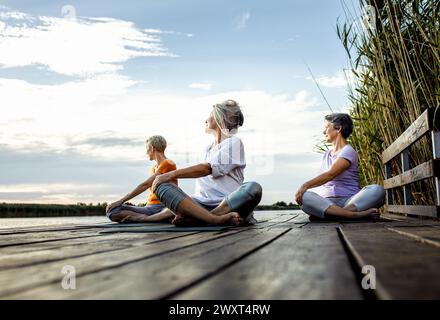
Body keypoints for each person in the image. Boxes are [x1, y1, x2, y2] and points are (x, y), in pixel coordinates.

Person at [151, 99, 262, 226]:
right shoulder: (206, 149)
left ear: (219, 118)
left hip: (230, 204)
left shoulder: (234, 143)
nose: (206, 120)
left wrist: (170, 174)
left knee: (254, 187)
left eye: (210, 115)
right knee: (162, 186)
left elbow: (207, 169)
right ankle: (208, 218)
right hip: (200, 205)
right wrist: (144, 218)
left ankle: (210, 217)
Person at [295, 113, 385, 220]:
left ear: (338, 129)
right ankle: (352, 215)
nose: (324, 132)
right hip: (327, 203)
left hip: (350, 201)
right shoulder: (326, 154)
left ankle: (332, 215)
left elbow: (330, 175)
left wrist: (304, 186)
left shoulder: (348, 151)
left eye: (327, 127)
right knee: (305, 197)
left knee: (377, 190)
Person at [106, 135, 178, 223]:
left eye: (147, 149)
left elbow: (145, 185)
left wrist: (121, 201)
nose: (146, 152)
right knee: (112, 210)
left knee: (115, 209)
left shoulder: (168, 163)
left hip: (161, 207)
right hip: (149, 207)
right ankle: (153, 218)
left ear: (152, 148)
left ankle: (146, 218)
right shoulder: (154, 167)